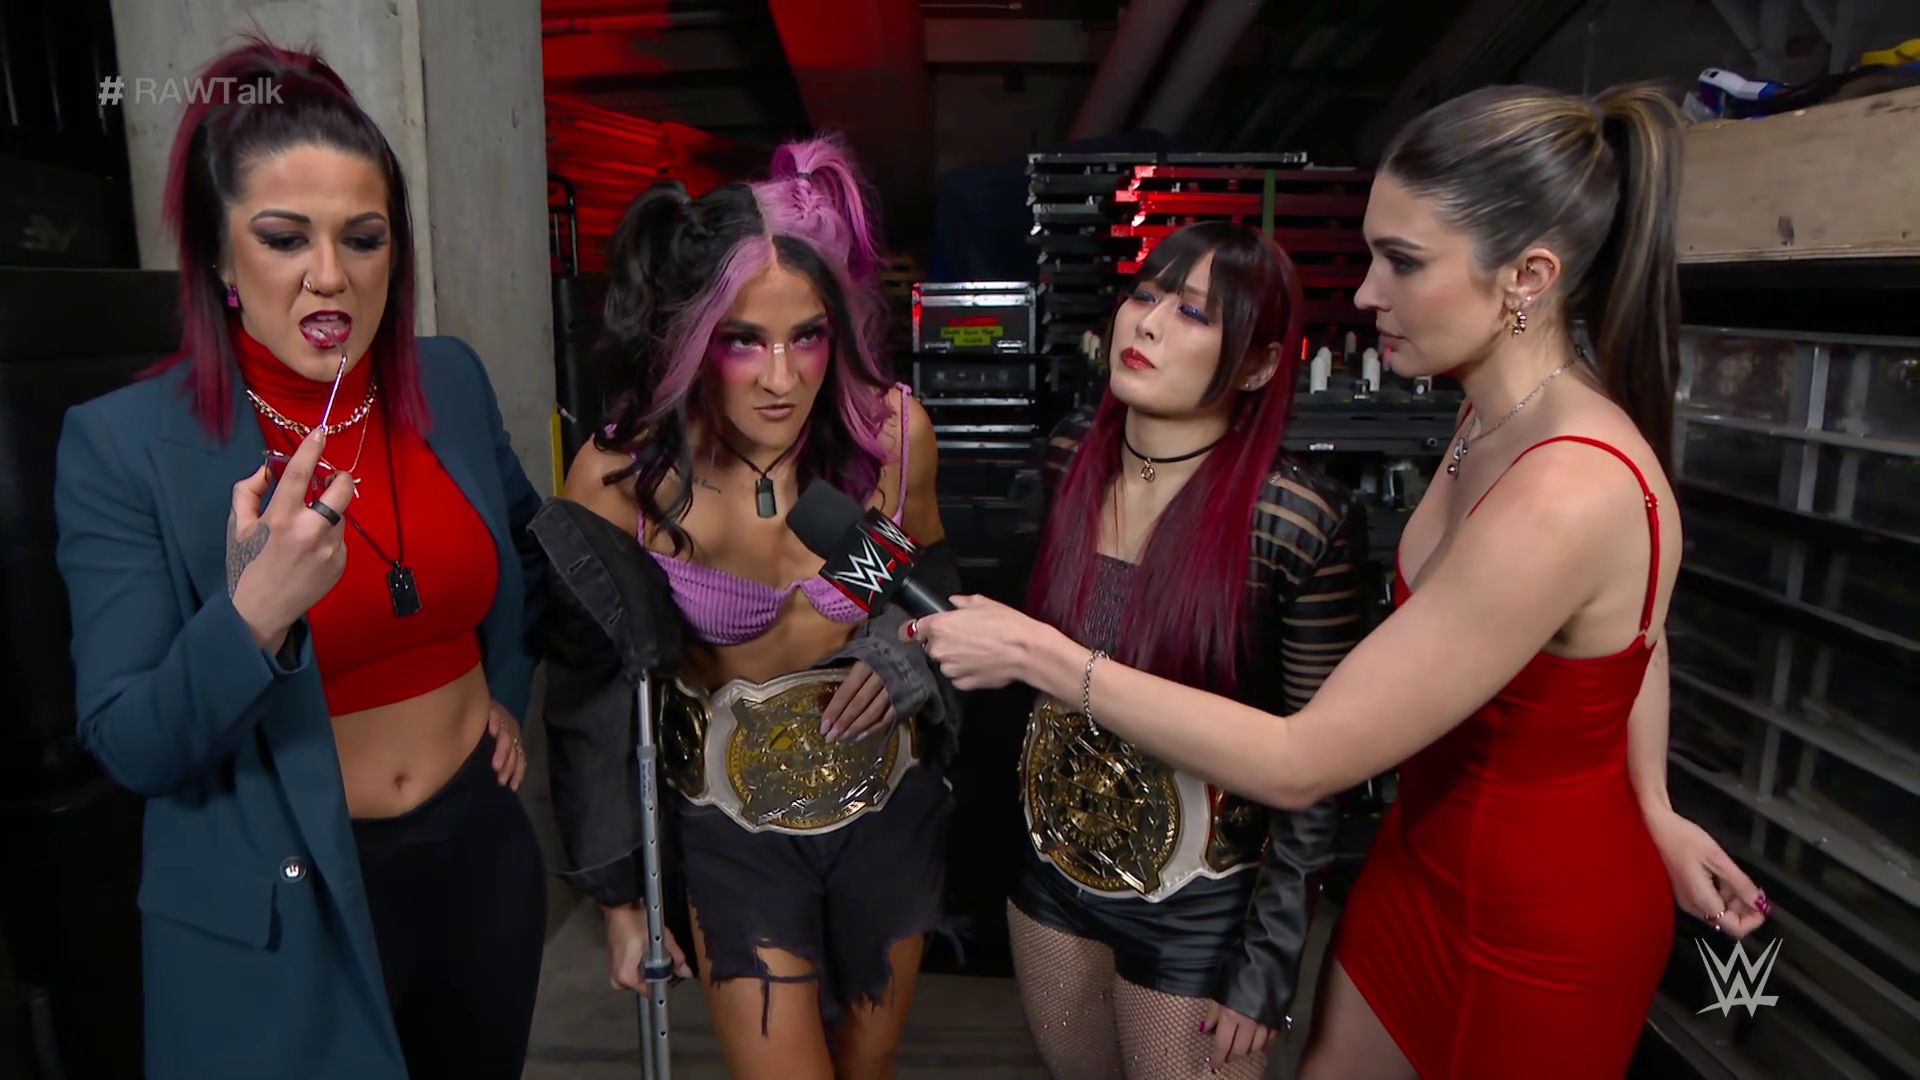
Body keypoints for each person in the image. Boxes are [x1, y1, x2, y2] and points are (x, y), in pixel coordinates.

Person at [900, 82, 1771, 1078]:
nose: (1364, 294)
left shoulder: (1568, 485)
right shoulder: (1492, 413)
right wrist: (1653, 799)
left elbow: (1302, 760)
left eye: (1403, 262)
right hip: (1416, 869)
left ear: (1528, 276)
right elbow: (1634, 639)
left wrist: (1040, 654)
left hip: (1536, 923)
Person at [53, 38, 548, 1080]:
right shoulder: (123, 444)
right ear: (218, 257)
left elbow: (523, 560)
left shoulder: (447, 382)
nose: (332, 275)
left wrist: (502, 692)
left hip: (477, 862)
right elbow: (131, 742)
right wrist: (253, 615)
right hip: (290, 898)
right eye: (285, 239)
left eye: (364, 239)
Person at [544, 136, 960, 1080]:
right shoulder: (624, 477)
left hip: (886, 808)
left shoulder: (887, 437)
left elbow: (932, 576)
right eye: (742, 340)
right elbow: (587, 695)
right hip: (732, 828)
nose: (781, 378)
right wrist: (620, 899)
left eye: (806, 336)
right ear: (692, 338)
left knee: (866, 1068)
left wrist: (906, 646)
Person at [988, 221, 1365, 1079]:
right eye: (1145, 295)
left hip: (1201, 903)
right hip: (1053, 873)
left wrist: (1268, 968)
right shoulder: (1069, 460)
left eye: (1193, 312)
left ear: (1259, 365)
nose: (1148, 323)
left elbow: (1320, 770)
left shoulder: (1295, 519)